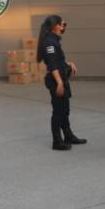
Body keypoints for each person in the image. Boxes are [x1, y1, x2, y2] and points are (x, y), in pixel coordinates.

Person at [37, 15, 86, 151]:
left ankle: (68, 136)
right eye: (63, 24)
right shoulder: (49, 42)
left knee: (64, 110)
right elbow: (52, 64)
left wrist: (68, 63)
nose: (64, 26)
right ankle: (57, 141)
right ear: (55, 26)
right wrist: (59, 83)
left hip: (61, 78)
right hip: (56, 80)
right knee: (58, 112)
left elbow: (57, 60)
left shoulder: (54, 40)